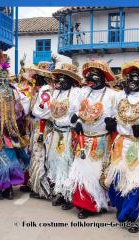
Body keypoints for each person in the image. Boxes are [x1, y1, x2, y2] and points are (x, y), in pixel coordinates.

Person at [105, 60, 139, 233]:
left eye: (136, 77)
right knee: (117, 181)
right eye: (129, 77)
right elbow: (112, 113)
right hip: (121, 143)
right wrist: (111, 123)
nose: (132, 80)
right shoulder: (120, 95)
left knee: (136, 183)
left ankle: (131, 216)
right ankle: (122, 209)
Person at [67, 60, 117, 219]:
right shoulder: (83, 92)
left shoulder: (112, 95)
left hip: (101, 139)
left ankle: (99, 203)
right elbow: (73, 113)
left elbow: (117, 116)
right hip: (83, 140)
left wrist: (113, 124)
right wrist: (76, 123)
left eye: (94, 77)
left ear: (103, 78)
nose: (90, 81)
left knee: (97, 174)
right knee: (81, 173)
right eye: (88, 78)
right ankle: (86, 206)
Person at [0, 62, 30, 200]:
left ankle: (0, 189)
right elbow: (25, 103)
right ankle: (8, 189)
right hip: (11, 128)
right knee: (10, 155)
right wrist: (18, 118)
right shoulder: (14, 89)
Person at [44, 63, 82, 210]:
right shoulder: (56, 93)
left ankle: (69, 196)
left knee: (67, 164)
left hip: (68, 134)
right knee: (54, 162)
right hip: (56, 132)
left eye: (62, 78)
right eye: (58, 77)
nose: (59, 80)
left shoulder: (76, 93)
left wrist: (76, 118)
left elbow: (81, 110)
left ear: (70, 79)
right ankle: (60, 192)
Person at [25, 62, 55, 199]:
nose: (33, 78)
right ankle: (36, 185)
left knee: (40, 156)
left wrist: (33, 112)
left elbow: (44, 112)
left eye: (36, 76)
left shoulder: (45, 91)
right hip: (39, 126)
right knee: (37, 155)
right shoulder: (42, 89)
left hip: (43, 128)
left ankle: (43, 189)